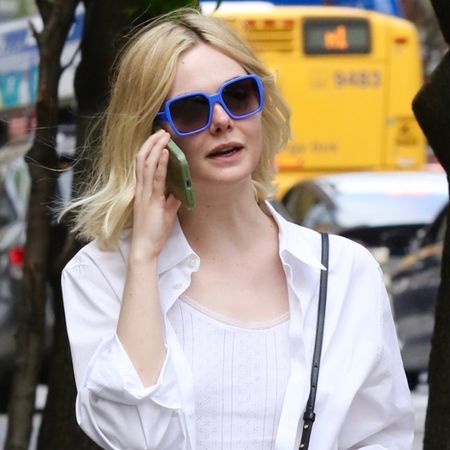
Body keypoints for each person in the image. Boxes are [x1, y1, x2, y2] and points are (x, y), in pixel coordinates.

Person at [61, 7, 414, 450]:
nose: (224, 119)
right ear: (151, 138)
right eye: (192, 110)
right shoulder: (99, 277)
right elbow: (134, 438)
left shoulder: (344, 273)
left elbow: (381, 437)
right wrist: (144, 259)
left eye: (239, 95)